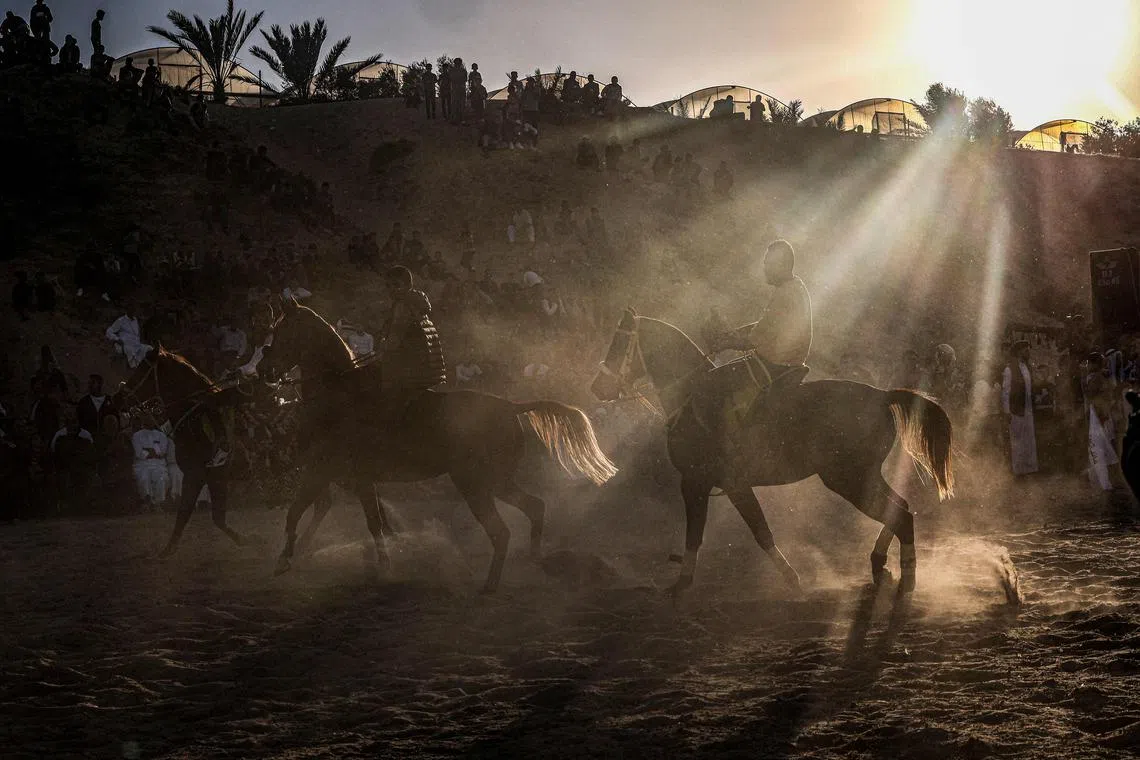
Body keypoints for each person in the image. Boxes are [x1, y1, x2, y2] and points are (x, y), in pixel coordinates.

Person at [378, 266, 447, 418]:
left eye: (395, 285)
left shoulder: (403, 306)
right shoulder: (417, 303)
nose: (391, 290)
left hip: (411, 371)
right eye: (388, 286)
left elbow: (393, 342)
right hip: (428, 369)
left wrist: (383, 347)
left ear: (407, 285)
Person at [1001, 340, 1039, 476]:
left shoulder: (1028, 368)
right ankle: (1019, 470)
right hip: (1016, 409)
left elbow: (1030, 388)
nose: (1028, 352)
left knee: (1029, 438)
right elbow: (1005, 392)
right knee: (1017, 439)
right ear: (1019, 352)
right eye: (1025, 349)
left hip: (1028, 408)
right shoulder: (1009, 369)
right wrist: (1007, 411)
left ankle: (1030, 468)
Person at [131, 413, 171, 509]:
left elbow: (162, 452)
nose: (149, 421)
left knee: (162, 478)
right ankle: (146, 501)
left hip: (158, 464)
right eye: (146, 419)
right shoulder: (136, 435)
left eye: (151, 419)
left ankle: (158, 503)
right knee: (143, 477)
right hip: (142, 464)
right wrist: (154, 451)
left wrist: (148, 450)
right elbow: (139, 452)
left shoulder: (161, 435)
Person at [76, 374, 116, 445]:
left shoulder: (109, 401)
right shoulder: (83, 402)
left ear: (100, 384)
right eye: (89, 383)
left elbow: (115, 421)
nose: (90, 386)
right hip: (87, 441)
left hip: (106, 442)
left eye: (93, 383)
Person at [449, 57, 467, 123]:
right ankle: (457, 119)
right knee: (456, 104)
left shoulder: (462, 71)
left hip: (459, 89)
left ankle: (460, 119)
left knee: (460, 104)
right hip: (456, 89)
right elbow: (451, 79)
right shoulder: (452, 70)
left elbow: (465, 79)